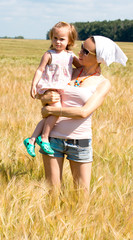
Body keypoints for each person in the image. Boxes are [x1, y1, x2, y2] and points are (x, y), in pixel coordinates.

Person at [39, 35, 128, 194]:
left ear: (98, 58)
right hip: (52, 138)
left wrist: (51, 110)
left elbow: (83, 112)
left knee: (81, 196)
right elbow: (47, 93)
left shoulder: (102, 83)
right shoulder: (67, 72)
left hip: (79, 142)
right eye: (81, 47)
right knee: (52, 194)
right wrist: (44, 99)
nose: (79, 53)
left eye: (85, 51)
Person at [23, 21, 81, 157]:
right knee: (56, 112)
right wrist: (33, 85)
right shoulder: (49, 55)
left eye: (62, 39)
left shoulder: (70, 56)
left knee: (50, 116)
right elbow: (40, 70)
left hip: (62, 89)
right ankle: (44, 138)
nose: (58, 42)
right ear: (51, 38)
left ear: (70, 40)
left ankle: (31, 140)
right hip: (50, 87)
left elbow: (81, 67)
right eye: (55, 38)